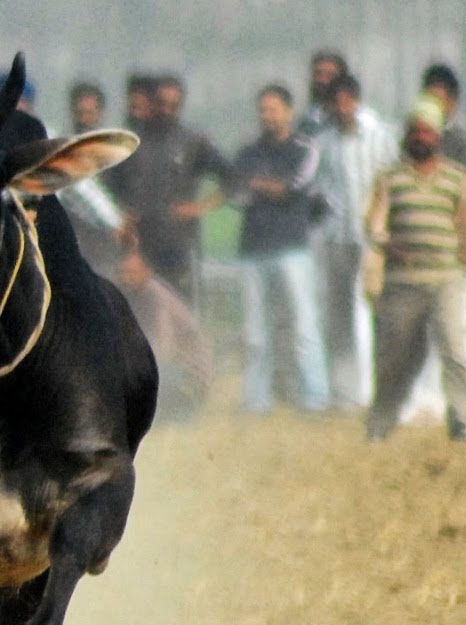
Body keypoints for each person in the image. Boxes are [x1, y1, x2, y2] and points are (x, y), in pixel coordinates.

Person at [364, 99, 466, 442]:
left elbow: (463, 223)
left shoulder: (455, 177)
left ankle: (463, 419)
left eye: (427, 131)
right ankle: (380, 423)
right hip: (403, 281)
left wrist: (463, 253)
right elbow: (373, 222)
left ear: (437, 136)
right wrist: (386, 244)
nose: (421, 137)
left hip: (445, 277)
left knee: (455, 350)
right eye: (415, 131)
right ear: (406, 136)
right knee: (395, 357)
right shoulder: (390, 178)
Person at [231, 83, 328, 413]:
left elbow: (295, 187)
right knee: (255, 331)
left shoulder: (305, 147)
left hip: (292, 248)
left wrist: (259, 184)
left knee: (303, 325)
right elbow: (236, 194)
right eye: (262, 109)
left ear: (288, 111)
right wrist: (267, 186)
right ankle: (256, 400)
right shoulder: (247, 151)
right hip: (253, 249)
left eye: (273, 109)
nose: (266, 115)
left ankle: (314, 397)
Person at [106, 71, 230, 305]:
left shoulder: (193, 141)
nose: (167, 110)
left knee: (183, 310)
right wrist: (121, 214)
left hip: (179, 244)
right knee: (137, 312)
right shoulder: (131, 141)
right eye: (162, 103)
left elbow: (233, 179)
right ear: (152, 102)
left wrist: (198, 207)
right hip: (139, 245)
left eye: (174, 105)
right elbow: (111, 185)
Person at [312, 73, 395, 410]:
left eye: (348, 100)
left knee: (365, 312)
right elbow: (321, 186)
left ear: (357, 101)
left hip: (371, 239)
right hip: (337, 237)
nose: (343, 107)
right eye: (337, 101)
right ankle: (345, 388)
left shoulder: (380, 137)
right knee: (340, 313)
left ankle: (368, 390)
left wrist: (381, 226)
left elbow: (390, 182)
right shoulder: (325, 141)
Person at [116, 247, 211, 421]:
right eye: (123, 272)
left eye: (131, 272)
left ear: (147, 272)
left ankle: (182, 411)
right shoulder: (135, 294)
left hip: (187, 374)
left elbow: (163, 348)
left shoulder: (155, 296)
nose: (125, 277)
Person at [301, 50, 350, 134]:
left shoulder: (363, 121)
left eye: (330, 75)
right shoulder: (309, 119)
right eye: (318, 74)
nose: (323, 80)